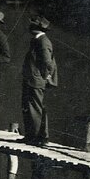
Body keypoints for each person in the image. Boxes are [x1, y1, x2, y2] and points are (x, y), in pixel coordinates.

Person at [19, 14, 56, 146]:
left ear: (37, 28)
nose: (30, 27)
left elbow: (48, 62)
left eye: (32, 25)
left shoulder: (43, 41)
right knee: (31, 108)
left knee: (35, 108)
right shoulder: (37, 40)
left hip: (36, 80)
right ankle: (32, 136)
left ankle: (38, 137)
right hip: (31, 79)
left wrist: (46, 76)